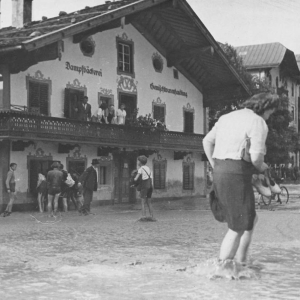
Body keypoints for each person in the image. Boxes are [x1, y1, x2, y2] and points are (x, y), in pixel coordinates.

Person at [203, 93, 279, 266]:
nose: (270, 116)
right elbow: (256, 159)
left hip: (221, 171)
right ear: (266, 107)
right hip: (237, 173)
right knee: (237, 226)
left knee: (250, 219)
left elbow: (206, 141)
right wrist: (263, 168)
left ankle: (242, 261)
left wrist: (215, 165)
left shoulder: (226, 117)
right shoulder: (257, 121)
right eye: (271, 112)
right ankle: (222, 267)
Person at [134, 155, 154, 220]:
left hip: (145, 186)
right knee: (149, 202)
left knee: (143, 201)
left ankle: (143, 216)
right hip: (150, 185)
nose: (138, 162)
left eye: (138, 161)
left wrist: (134, 178)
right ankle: (151, 216)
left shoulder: (141, 169)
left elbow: (136, 178)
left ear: (140, 162)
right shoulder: (148, 168)